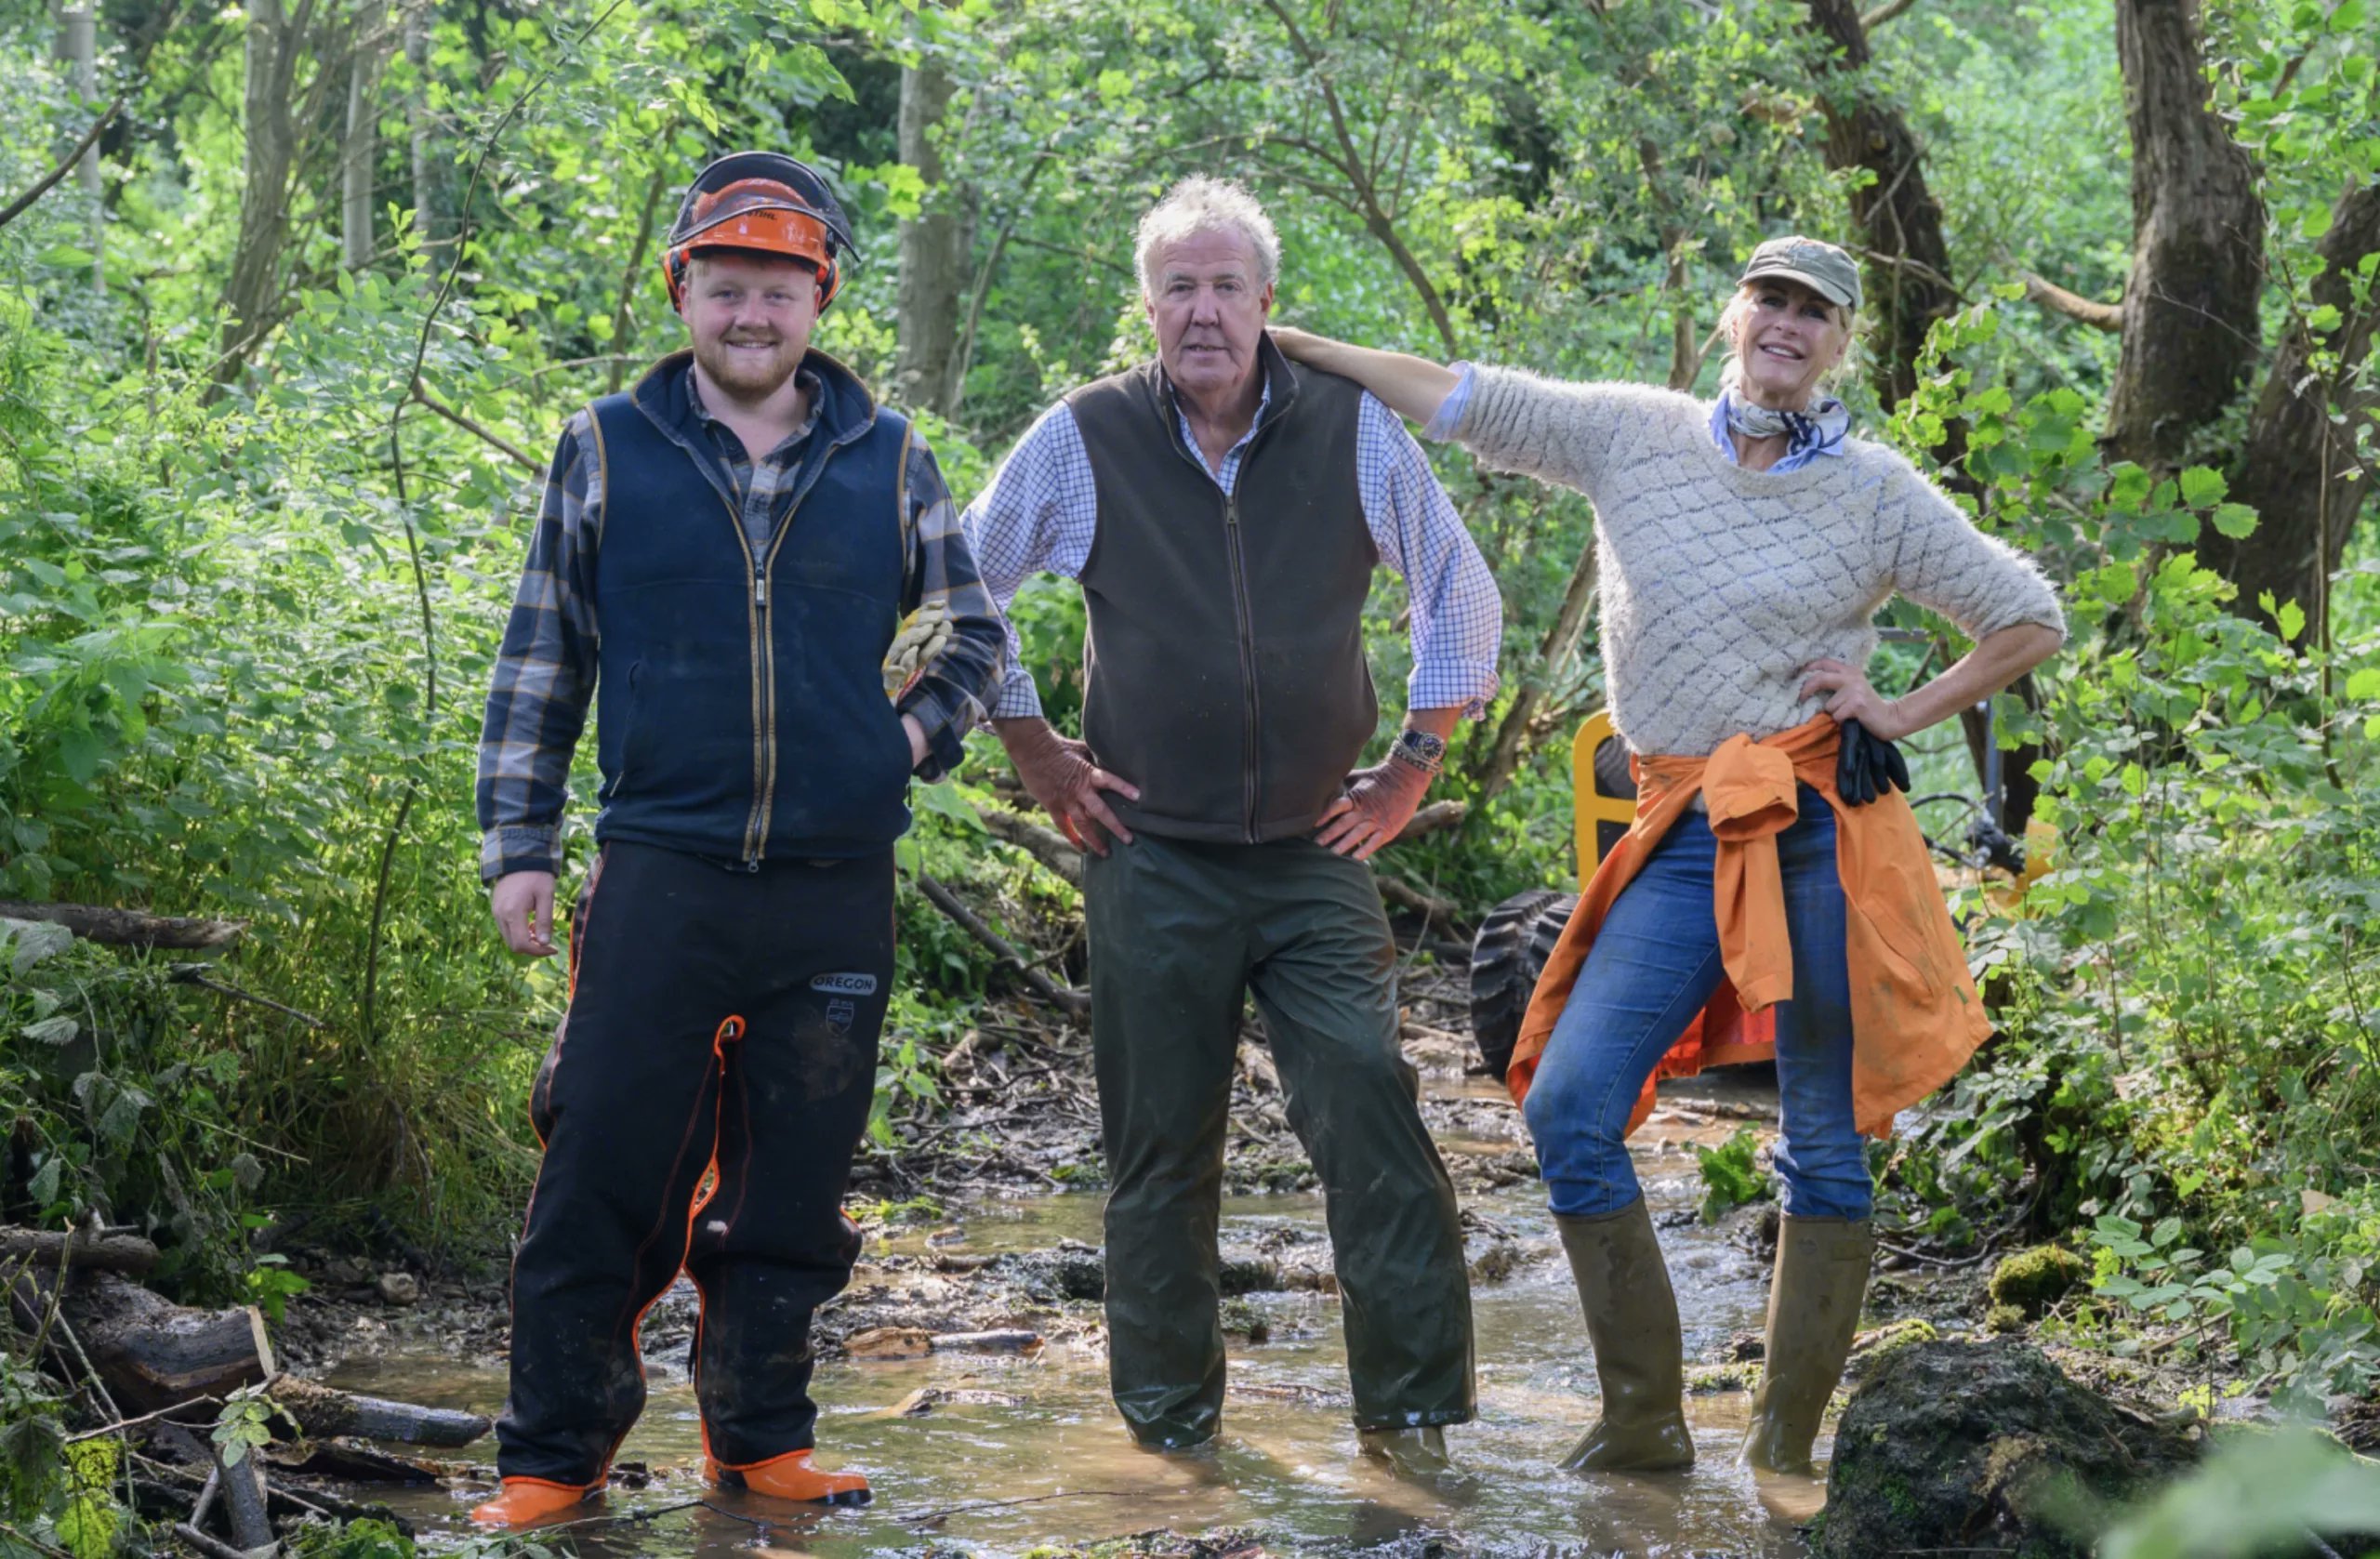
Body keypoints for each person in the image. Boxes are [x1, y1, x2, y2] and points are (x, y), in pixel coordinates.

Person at [1276, 234, 2065, 1486]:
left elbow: (2029, 613)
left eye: (1817, 313)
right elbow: (1450, 390)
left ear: (1840, 344)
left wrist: (1899, 708)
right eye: (1772, 302)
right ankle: (1645, 1416)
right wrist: (1286, 341)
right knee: (1570, 1103)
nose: (1789, 327)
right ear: (1735, 313)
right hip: (1678, 826)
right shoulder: (1626, 434)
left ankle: (1783, 1444)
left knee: (1821, 1135)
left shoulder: (1873, 490)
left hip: (1816, 826)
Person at [469, 151, 1005, 1526]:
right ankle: (552, 1460)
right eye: (724, 288)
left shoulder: (889, 456)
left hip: (835, 891)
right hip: (659, 870)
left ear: (818, 299)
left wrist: (899, 742)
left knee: (792, 1185)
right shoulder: (605, 446)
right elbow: (544, 653)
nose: (750, 313)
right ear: (683, 293)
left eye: (777, 288)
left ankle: (760, 1441)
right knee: (600, 1162)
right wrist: (520, 842)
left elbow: (974, 636)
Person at [961, 177, 1500, 1474]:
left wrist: (1413, 763)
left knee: (1372, 1104)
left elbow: (1457, 588)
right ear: (1147, 306)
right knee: (1161, 1150)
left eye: (1226, 286)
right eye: (1178, 288)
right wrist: (1033, 745)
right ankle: (1173, 1432)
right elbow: (950, 589)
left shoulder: (1354, 432)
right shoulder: (1083, 437)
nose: (1202, 312)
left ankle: (1414, 1421)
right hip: (1151, 857)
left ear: (1267, 303)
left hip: (1315, 855)